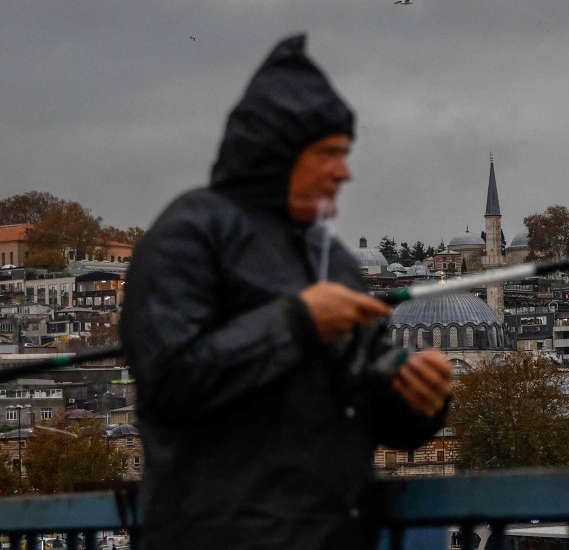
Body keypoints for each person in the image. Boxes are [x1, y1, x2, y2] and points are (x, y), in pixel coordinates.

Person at [120, 34, 453, 550]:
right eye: (329, 154)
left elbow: (362, 400)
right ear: (279, 152)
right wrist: (297, 322)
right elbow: (172, 379)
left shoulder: (332, 259)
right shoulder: (190, 234)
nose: (345, 172)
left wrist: (416, 399)